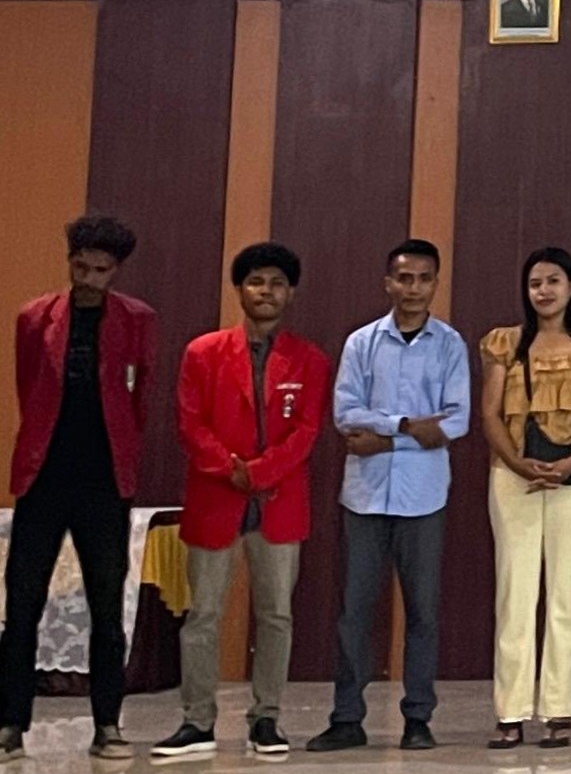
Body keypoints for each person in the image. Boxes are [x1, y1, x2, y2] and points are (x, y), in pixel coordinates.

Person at [154, 242, 331, 759]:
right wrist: (231, 469)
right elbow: (190, 425)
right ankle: (197, 721)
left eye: (277, 283)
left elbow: (306, 430)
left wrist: (258, 472)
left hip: (279, 501)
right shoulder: (202, 352)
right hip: (215, 498)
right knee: (203, 614)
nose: (266, 292)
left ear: (290, 293)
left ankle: (267, 719)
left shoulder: (310, 359)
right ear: (239, 289)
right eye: (256, 282)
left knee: (276, 615)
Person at [1, 216, 155, 761]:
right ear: (70, 262)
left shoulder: (138, 320)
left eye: (100, 270)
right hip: (43, 476)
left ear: (117, 270)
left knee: (107, 607)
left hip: (105, 480)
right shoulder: (34, 316)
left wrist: (121, 459)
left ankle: (108, 724)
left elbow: (139, 398)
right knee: (22, 604)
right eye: (80, 266)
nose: (88, 278)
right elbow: (29, 387)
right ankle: (10, 723)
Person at [307, 240, 470, 754]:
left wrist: (385, 440)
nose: (413, 288)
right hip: (365, 497)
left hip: (423, 498)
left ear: (435, 284)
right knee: (354, 613)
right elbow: (345, 413)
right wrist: (404, 426)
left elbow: (455, 421)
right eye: (404, 278)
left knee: (423, 613)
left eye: (423, 279)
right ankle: (346, 718)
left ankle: (417, 718)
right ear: (388, 283)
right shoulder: (361, 343)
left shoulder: (450, 345)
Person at [477, 246, 571, 750]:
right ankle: (510, 711)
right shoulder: (505, 342)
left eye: (553, 280)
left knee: (566, 591)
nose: (544, 290)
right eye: (535, 282)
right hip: (512, 475)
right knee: (514, 593)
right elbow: (490, 413)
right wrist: (518, 464)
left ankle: (559, 709)